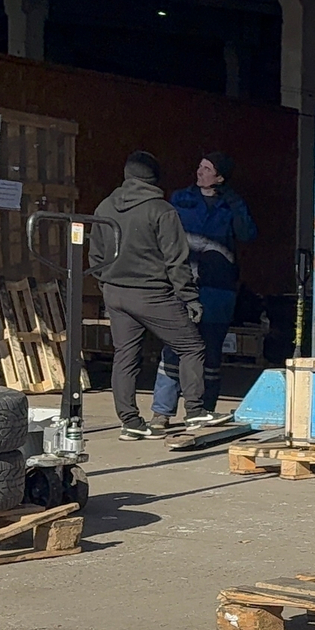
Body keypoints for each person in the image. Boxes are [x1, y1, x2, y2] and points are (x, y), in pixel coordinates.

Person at [89, 151, 215, 440]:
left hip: (115, 294)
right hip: (152, 294)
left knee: (125, 356)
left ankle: (130, 422)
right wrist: (189, 297)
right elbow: (176, 261)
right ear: (155, 178)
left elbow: (95, 255)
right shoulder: (162, 211)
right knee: (191, 347)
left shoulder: (104, 207)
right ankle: (195, 411)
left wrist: (106, 286)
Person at [150, 151, 257, 431]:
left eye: (207, 169)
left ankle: (203, 410)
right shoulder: (181, 199)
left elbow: (247, 234)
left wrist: (235, 203)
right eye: (200, 166)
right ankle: (161, 412)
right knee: (174, 347)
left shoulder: (231, 204)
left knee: (210, 352)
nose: (200, 172)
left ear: (220, 177)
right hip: (183, 284)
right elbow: (164, 235)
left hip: (218, 289)